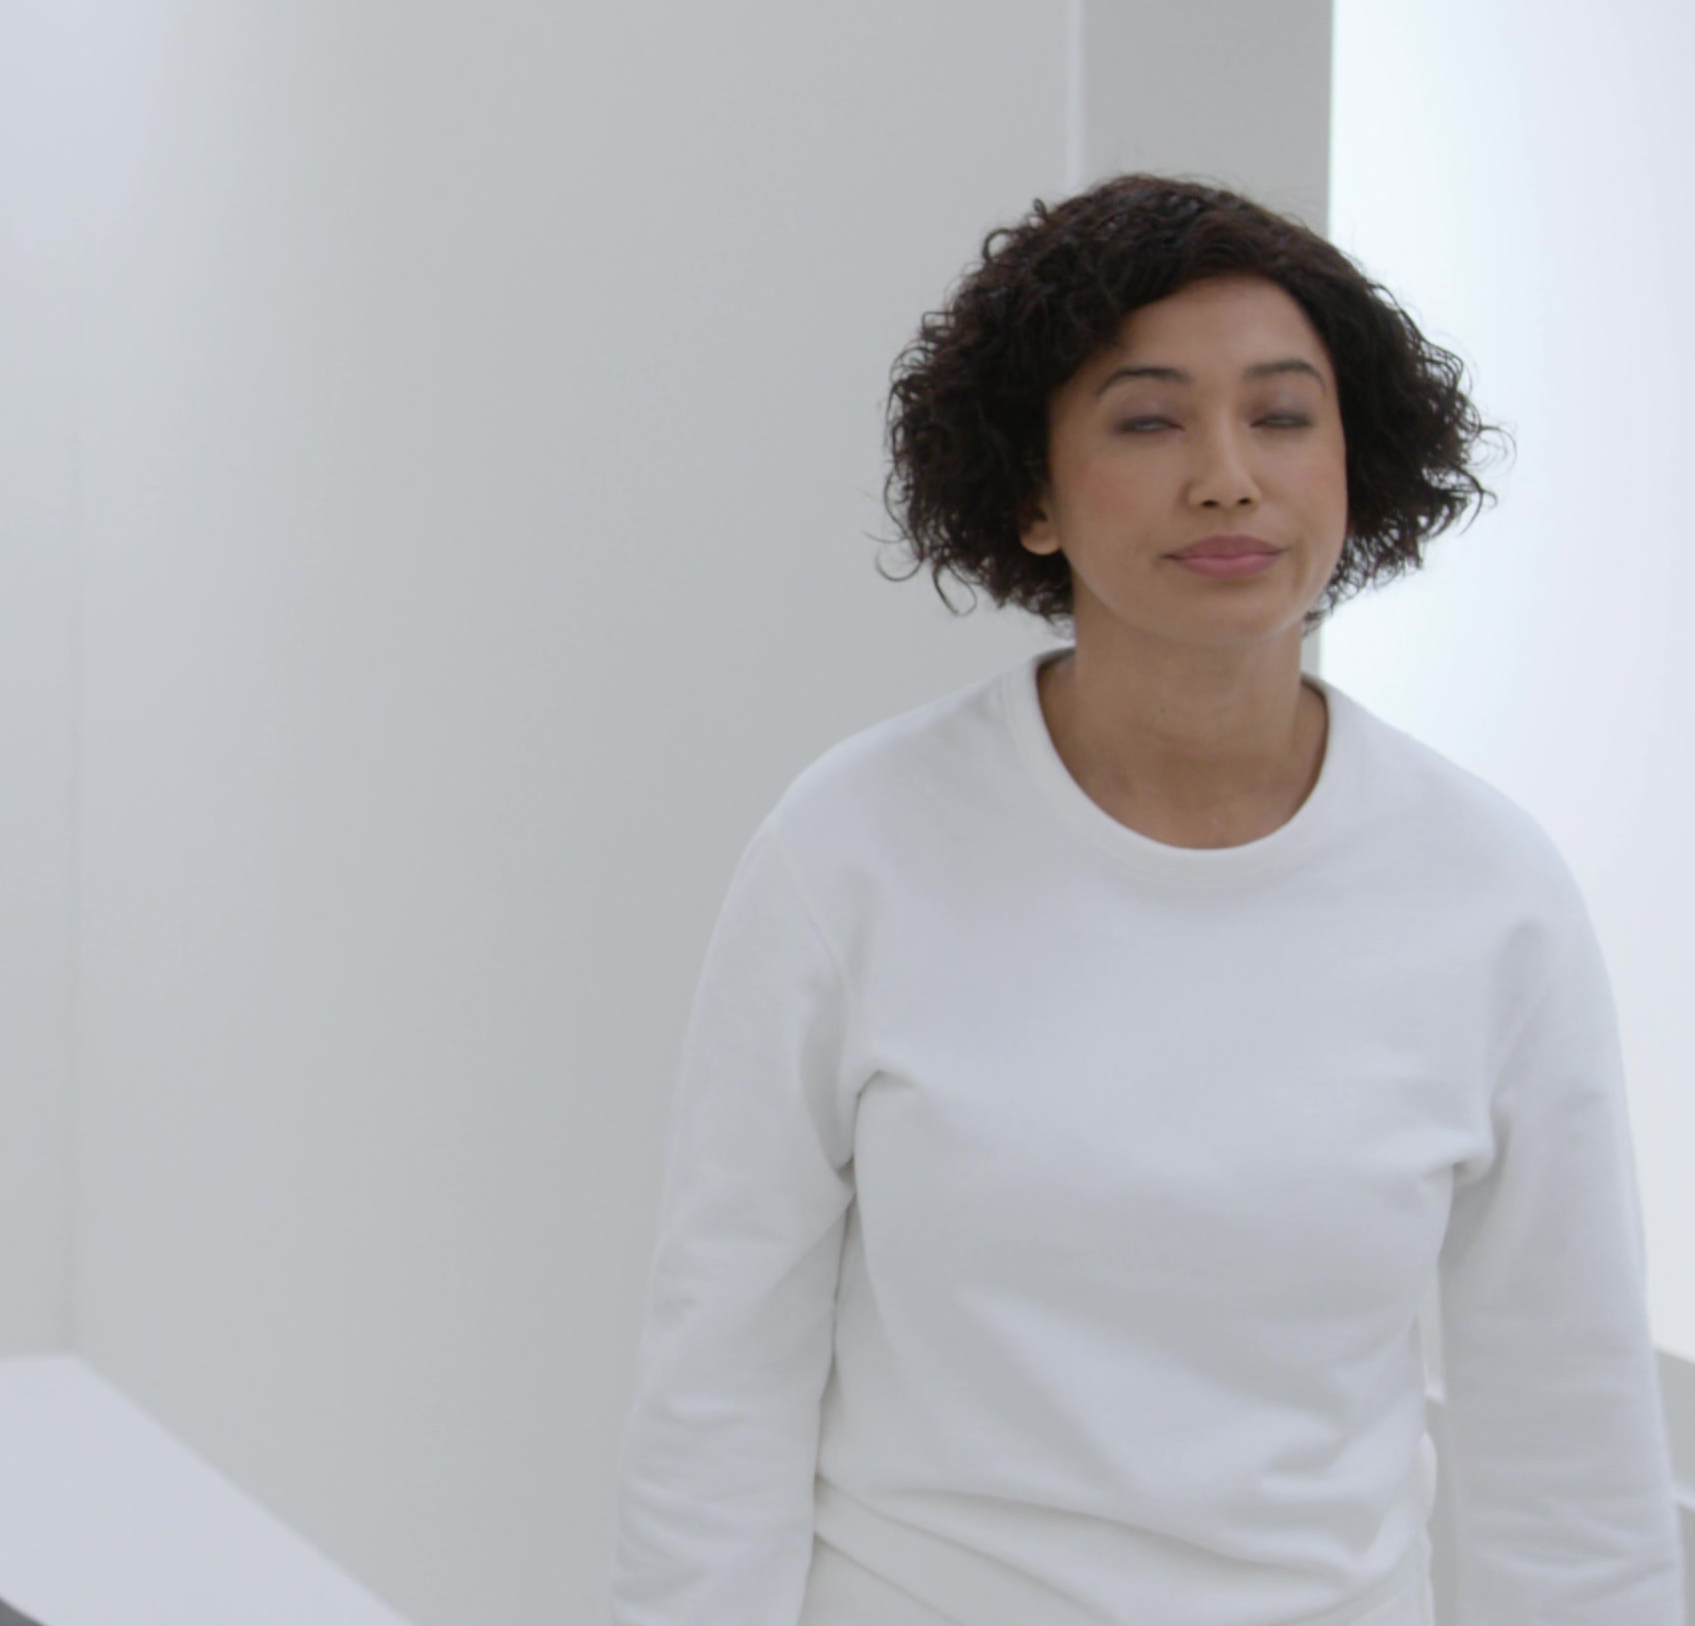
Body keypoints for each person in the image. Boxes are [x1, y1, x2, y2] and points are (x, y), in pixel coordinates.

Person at [611, 177, 1679, 1625]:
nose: (1228, 476)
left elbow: (1568, 1437)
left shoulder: (1491, 896)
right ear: (1033, 494)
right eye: (1148, 421)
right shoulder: (852, 849)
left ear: (1355, 463)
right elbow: (721, 1374)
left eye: (1283, 416)